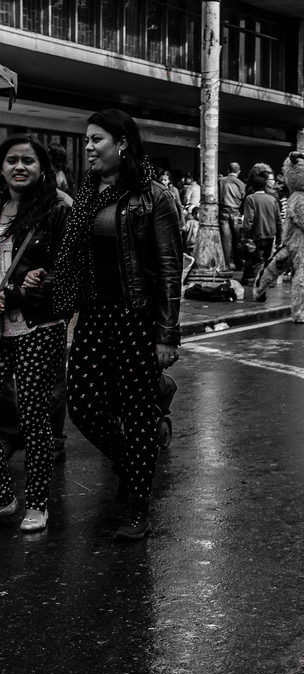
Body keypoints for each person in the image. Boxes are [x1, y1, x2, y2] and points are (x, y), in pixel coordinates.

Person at [51, 108, 183, 541]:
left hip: (135, 316)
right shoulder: (88, 191)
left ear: (122, 143)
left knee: (137, 411)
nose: (88, 147)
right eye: (87, 139)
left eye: (97, 139)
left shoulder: (154, 196)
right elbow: (73, 255)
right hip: (93, 314)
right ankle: (133, 459)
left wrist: (166, 334)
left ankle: (137, 505)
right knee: (83, 405)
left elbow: (169, 268)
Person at [0, 134, 72, 532]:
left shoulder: (56, 209)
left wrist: (23, 289)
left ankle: (38, 503)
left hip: (38, 326)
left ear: (42, 168)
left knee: (33, 416)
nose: (19, 167)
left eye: (28, 160)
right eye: (12, 160)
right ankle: (3, 494)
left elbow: (68, 274)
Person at [240, 174, 282, 286]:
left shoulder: (250, 199)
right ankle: (267, 280)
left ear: (252, 187)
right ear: (264, 186)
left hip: (256, 234)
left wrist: (245, 235)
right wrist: (279, 237)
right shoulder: (272, 199)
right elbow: (278, 220)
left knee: (251, 258)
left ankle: (246, 279)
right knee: (267, 259)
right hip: (270, 234)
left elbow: (249, 219)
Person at [218, 162, 245, 269]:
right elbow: (243, 198)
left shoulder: (221, 181)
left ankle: (226, 264)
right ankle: (238, 263)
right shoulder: (241, 184)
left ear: (228, 170)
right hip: (236, 213)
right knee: (236, 239)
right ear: (239, 172)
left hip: (223, 212)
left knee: (226, 239)